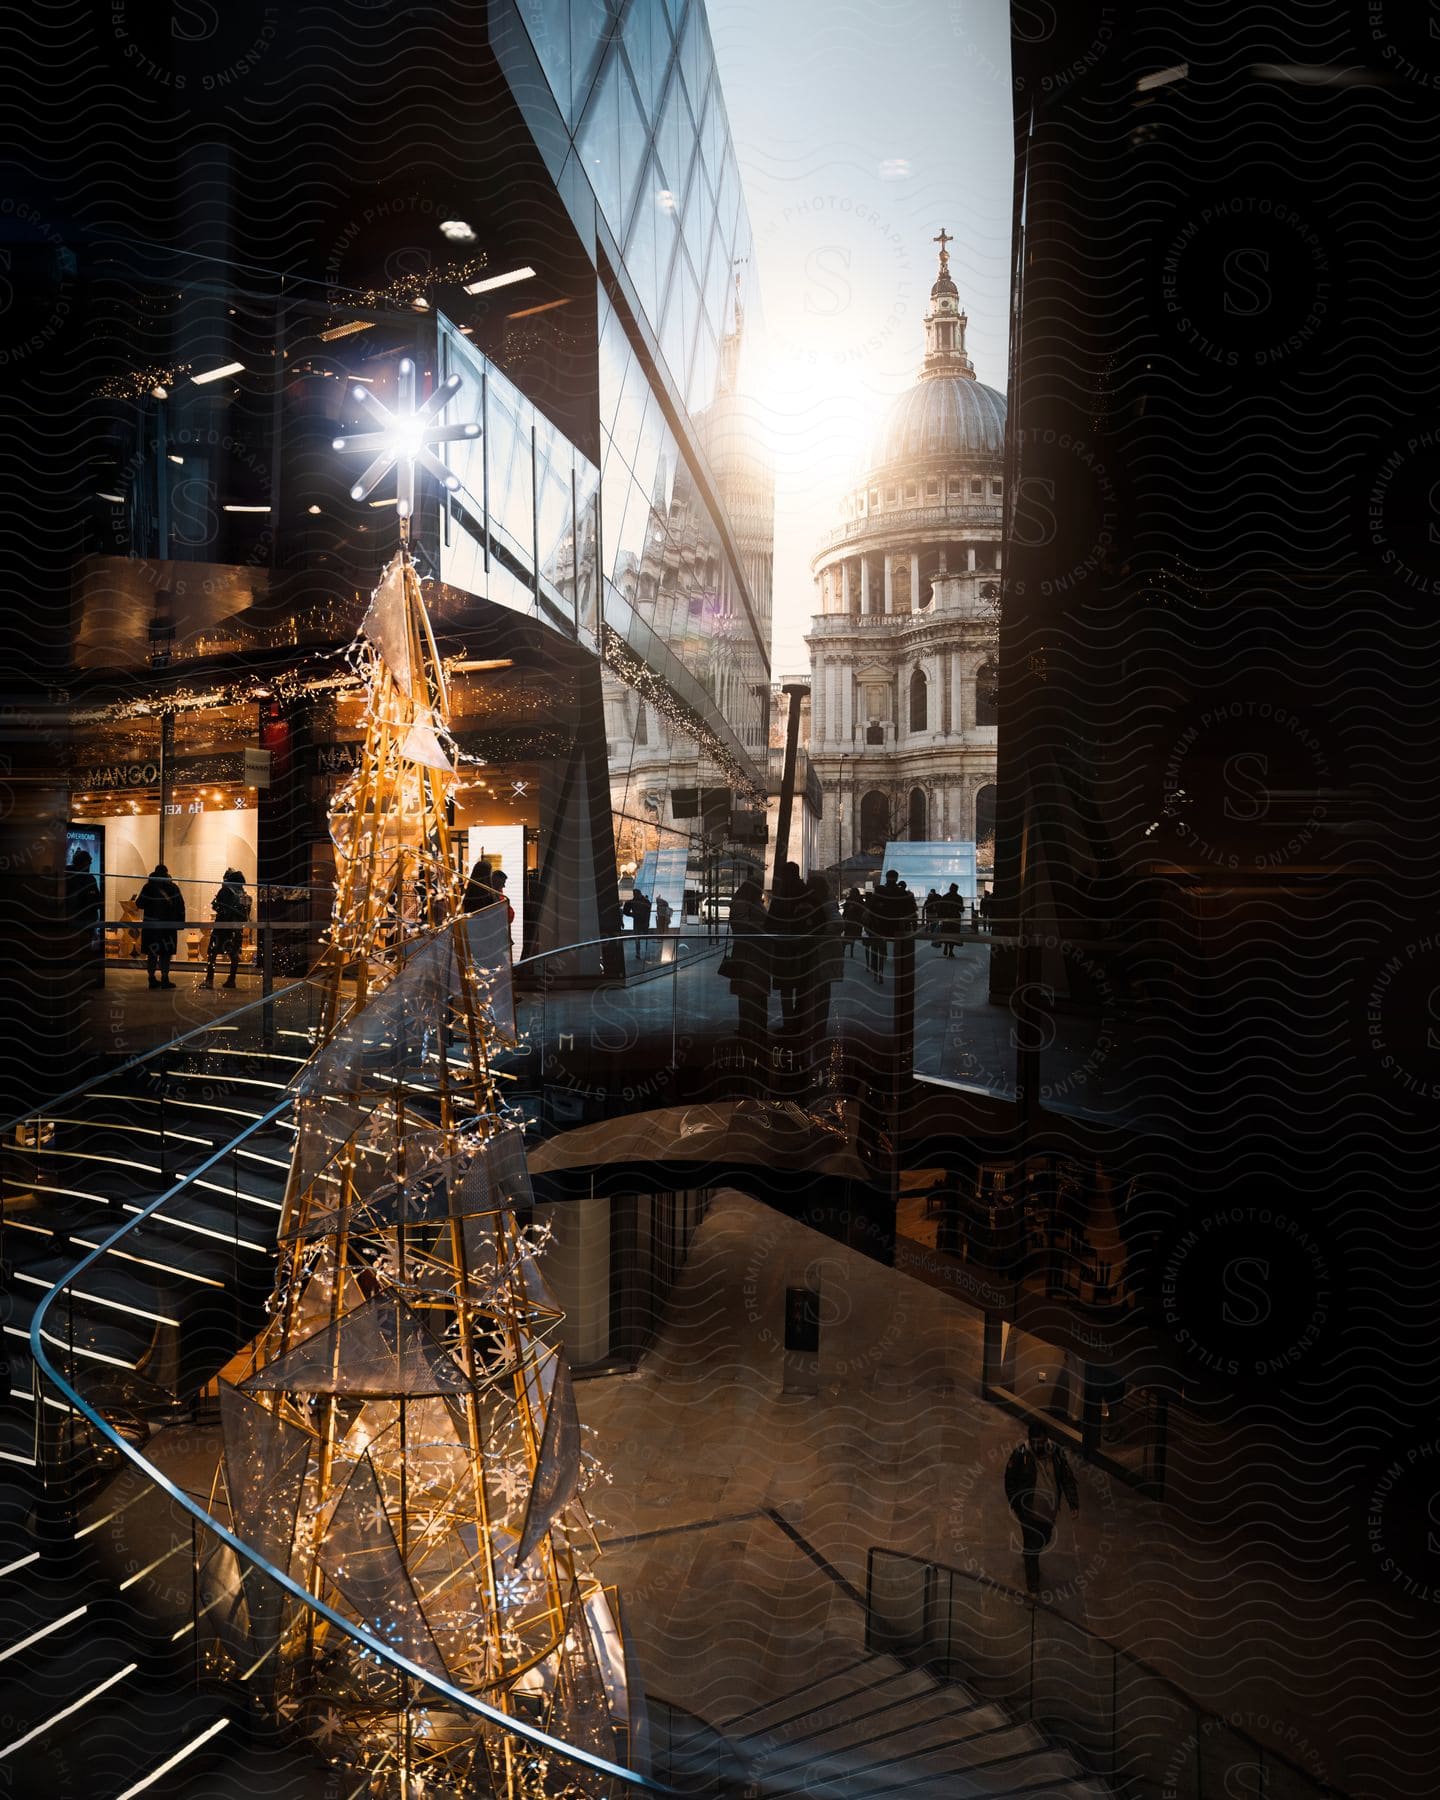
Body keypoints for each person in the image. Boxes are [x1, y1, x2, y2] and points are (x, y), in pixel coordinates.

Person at [1003, 1425, 1080, 1596]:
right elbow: (1010, 1481)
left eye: (1042, 1442)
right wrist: (1016, 1505)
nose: (1038, 1446)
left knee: (1044, 1540)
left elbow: (1066, 1478)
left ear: (1047, 1440)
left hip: (1048, 1514)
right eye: (1035, 1442)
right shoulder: (1020, 1455)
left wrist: (1073, 1503)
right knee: (1033, 1547)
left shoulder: (1057, 1454)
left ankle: (1030, 1555)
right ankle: (1033, 1587)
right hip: (1028, 1512)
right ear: (1030, 1440)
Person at [723, 877, 770, 1050]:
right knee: (750, 992)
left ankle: (753, 1027)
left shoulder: (750, 902)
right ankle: (751, 1027)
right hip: (749, 953)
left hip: (754, 953)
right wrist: (764, 927)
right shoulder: (745, 904)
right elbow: (741, 926)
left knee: (752, 992)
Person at [767, 861, 811, 1029]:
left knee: (786, 988)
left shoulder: (784, 893)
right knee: (802, 986)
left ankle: (789, 1024)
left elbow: (773, 919)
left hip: (785, 946)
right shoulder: (805, 890)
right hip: (803, 946)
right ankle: (799, 1022)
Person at [801, 873, 843, 1046]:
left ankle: (816, 1028)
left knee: (817, 991)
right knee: (820, 992)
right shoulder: (825, 901)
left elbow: (838, 923)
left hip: (821, 953)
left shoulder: (824, 903)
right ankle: (817, 1028)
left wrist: (820, 937)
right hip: (821, 953)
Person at [135, 862, 185, 989]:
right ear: (166, 873)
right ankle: (165, 977)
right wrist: (179, 924)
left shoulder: (148, 887)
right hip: (168, 927)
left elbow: (139, 904)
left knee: (152, 953)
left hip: (151, 926)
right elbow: (180, 906)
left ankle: (151, 978)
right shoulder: (173, 887)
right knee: (166, 953)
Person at [200, 867, 251, 989]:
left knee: (212, 953)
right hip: (236, 929)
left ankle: (209, 980)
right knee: (233, 955)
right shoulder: (243, 893)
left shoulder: (225, 890)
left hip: (222, 927)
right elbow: (246, 914)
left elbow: (217, 907)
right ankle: (232, 979)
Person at [66, 849, 104, 986]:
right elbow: (98, 902)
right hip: (84, 922)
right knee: (83, 953)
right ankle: (80, 984)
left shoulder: (67, 876)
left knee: (73, 953)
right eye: (89, 862)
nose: (90, 865)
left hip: (72, 923)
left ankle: (73, 985)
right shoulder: (88, 879)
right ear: (85, 863)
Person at [935, 882, 964, 958]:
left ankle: (945, 946)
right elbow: (961, 909)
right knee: (953, 935)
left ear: (950, 889)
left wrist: (939, 917)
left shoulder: (945, 897)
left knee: (946, 932)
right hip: (955, 918)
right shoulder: (959, 898)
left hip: (946, 918)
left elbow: (940, 908)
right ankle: (951, 950)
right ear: (956, 890)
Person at [841, 887, 865, 959]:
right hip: (857, 921)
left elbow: (845, 912)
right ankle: (851, 951)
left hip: (849, 921)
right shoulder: (860, 900)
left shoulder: (849, 900)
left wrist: (843, 919)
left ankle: (843, 951)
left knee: (847, 936)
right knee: (853, 937)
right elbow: (862, 910)